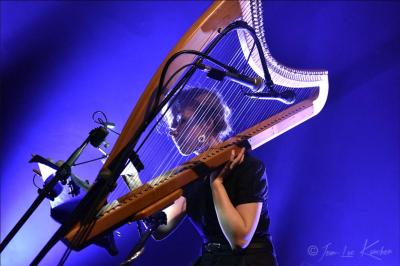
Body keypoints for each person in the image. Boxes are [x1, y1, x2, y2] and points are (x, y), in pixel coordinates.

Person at [156, 87, 278, 266]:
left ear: (208, 124)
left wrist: (217, 184)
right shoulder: (190, 175)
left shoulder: (249, 167)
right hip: (211, 260)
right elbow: (160, 228)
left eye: (182, 121)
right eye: (173, 124)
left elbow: (239, 240)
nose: (173, 131)